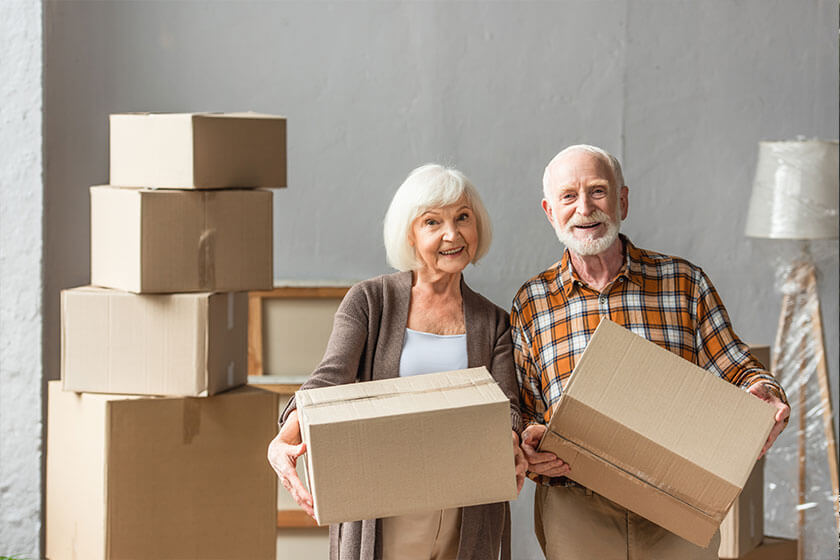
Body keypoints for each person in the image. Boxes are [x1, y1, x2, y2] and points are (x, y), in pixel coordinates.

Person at [511, 144, 790, 560]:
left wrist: (765, 395)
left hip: (677, 503)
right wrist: (530, 444)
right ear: (551, 211)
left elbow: (736, 366)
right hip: (577, 507)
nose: (584, 208)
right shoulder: (532, 302)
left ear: (622, 199)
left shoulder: (683, 282)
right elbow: (527, 409)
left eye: (598, 191)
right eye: (569, 196)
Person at [267, 164, 527, 560]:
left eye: (462, 218)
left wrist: (512, 438)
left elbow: (508, 406)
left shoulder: (493, 321)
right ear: (410, 233)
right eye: (432, 222)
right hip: (385, 505)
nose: (452, 234)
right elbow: (329, 379)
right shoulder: (370, 302)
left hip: (465, 507)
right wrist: (285, 437)